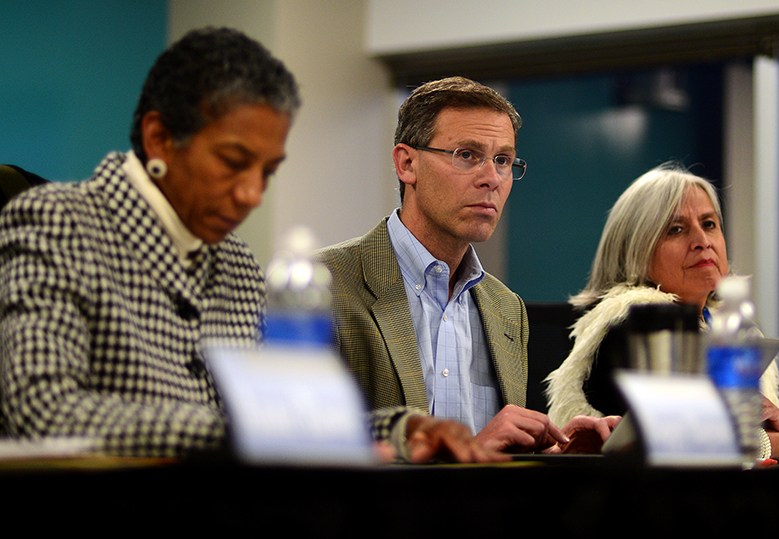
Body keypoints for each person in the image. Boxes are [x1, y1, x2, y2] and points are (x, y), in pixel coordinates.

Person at [0, 28, 503, 464]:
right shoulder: (57, 221)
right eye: (231, 161)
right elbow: (41, 410)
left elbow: (273, 413)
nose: (251, 195)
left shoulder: (236, 263)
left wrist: (400, 429)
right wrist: (240, 436)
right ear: (158, 138)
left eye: (265, 171)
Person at [317, 76, 620, 455]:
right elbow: (295, 435)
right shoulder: (325, 285)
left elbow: (497, 454)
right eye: (467, 155)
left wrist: (558, 454)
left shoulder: (507, 308)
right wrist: (466, 450)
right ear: (406, 163)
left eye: (503, 160)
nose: (491, 178)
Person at [544, 162, 779, 461]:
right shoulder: (632, 322)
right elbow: (693, 444)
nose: (702, 242)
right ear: (635, 250)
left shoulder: (727, 325)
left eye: (709, 224)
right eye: (676, 229)